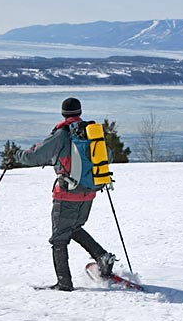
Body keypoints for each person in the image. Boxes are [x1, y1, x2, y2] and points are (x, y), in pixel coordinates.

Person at [11, 97, 116, 291]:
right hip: (89, 192)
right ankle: (102, 257)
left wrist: (16, 155)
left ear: (63, 113)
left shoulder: (62, 134)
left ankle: (64, 283)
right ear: (79, 112)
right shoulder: (90, 132)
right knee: (73, 227)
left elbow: (35, 156)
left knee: (59, 238)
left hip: (67, 193)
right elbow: (107, 156)